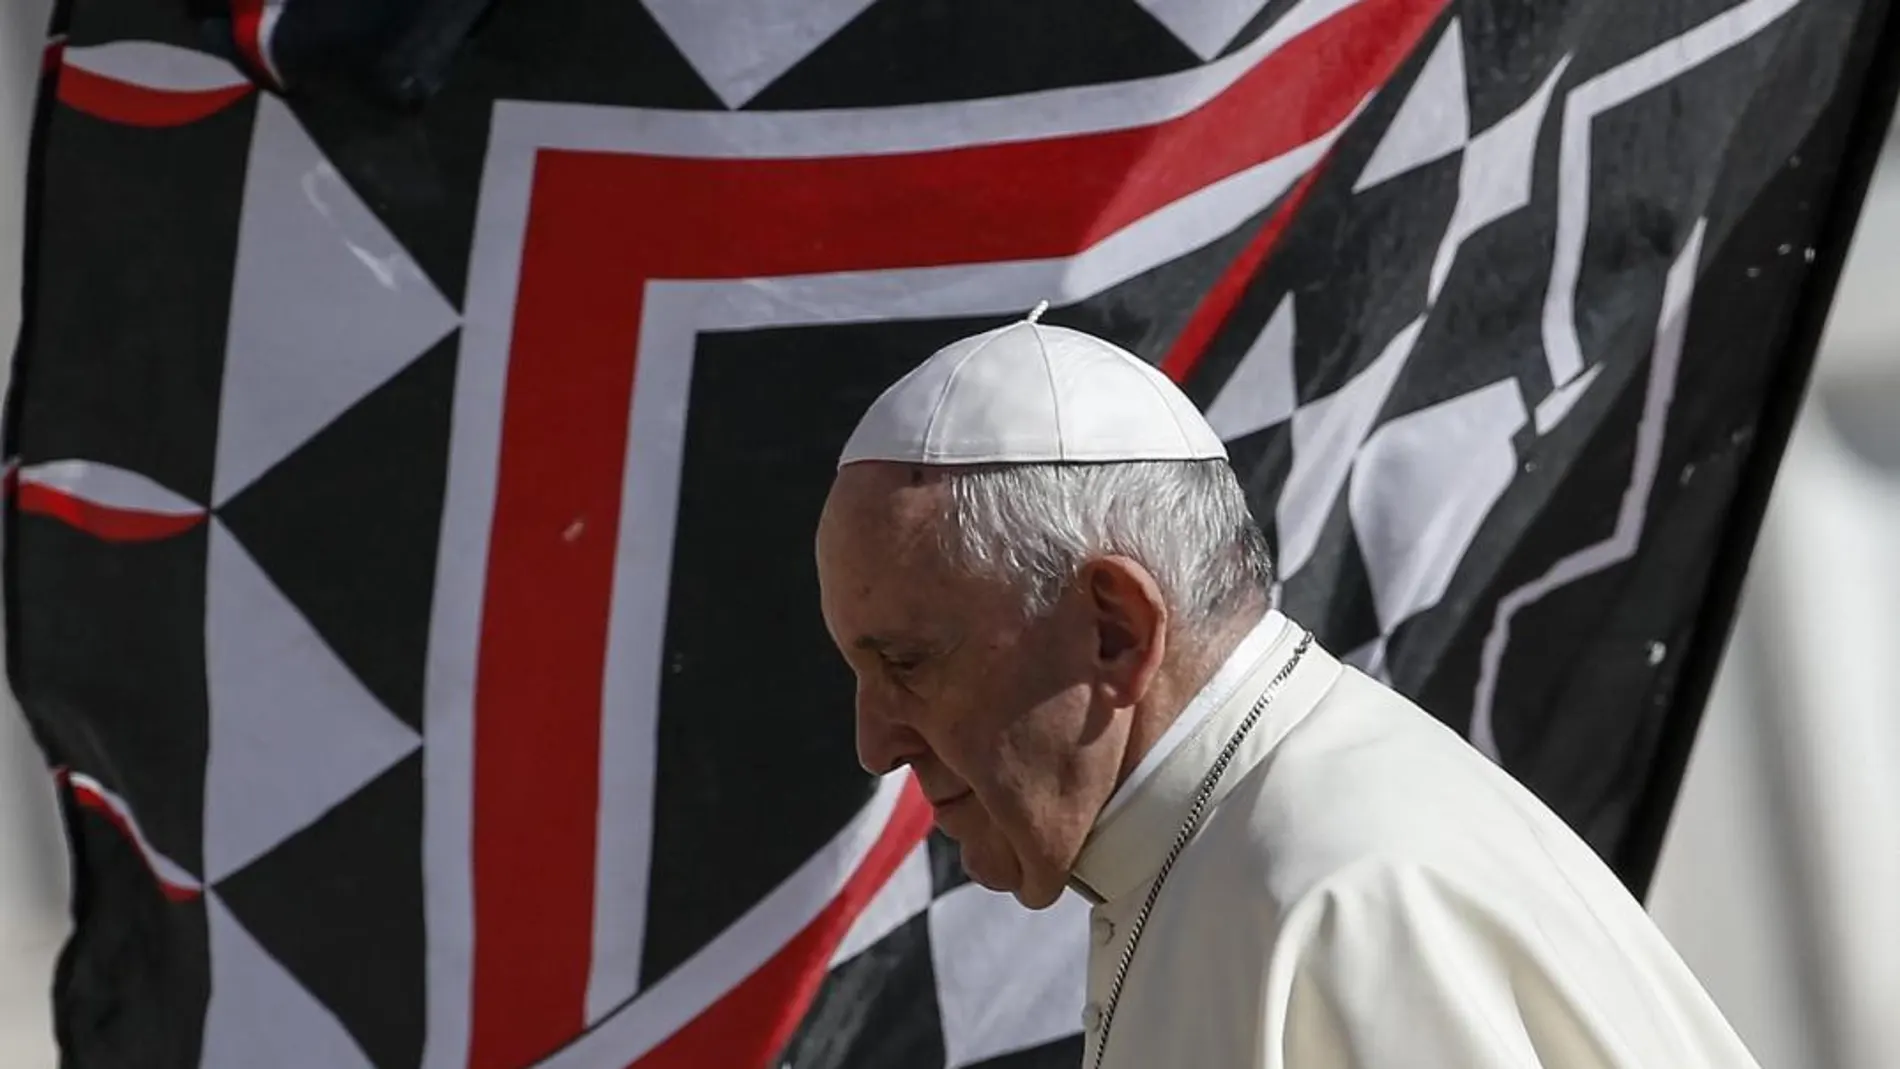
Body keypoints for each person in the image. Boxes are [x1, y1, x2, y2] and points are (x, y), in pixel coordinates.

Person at [813, 305, 1762, 1068]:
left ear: (1115, 629)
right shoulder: (1224, 854)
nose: (875, 744)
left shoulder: (1343, 892)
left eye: (906, 663)